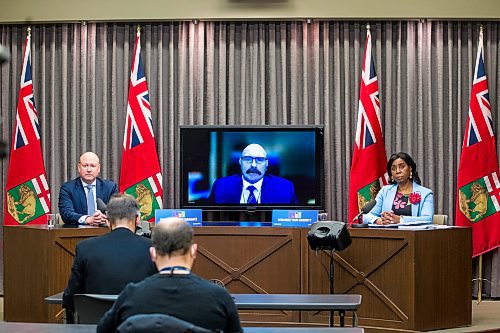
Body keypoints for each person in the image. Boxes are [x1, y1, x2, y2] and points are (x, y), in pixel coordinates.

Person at [96, 218, 242, 333]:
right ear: (194, 251)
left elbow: (102, 330)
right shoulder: (219, 297)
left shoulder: (131, 295)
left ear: (152, 253)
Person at [62, 194, 157, 323]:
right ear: (138, 219)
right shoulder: (153, 248)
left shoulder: (85, 248)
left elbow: (70, 298)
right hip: (139, 325)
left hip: (95, 326)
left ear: (107, 221)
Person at [208, 143, 298, 204]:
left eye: (260, 160)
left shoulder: (285, 188)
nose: (253, 165)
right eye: (248, 159)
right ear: (240, 162)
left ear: (266, 164)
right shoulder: (221, 186)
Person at [363, 152, 434, 224]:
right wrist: (379, 220)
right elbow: (366, 216)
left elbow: (428, 219)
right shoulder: (385, 191)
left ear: (410, 169)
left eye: (402, 167)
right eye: (393, 169)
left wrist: (401, 220)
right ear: (391, 175)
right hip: (388, 234)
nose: (398, 171)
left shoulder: (426, 193)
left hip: (412, 234)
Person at [58, 152, 118, 225]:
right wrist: (88, 219)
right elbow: (66, 213)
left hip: (105, 232)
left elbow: (117, 212)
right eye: (85, 165)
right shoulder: (68, 188)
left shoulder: (110, 187)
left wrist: (104, 217)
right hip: (78, 234)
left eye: (92, 166)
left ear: (98, 168)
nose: (89, 170)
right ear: (79, 168)